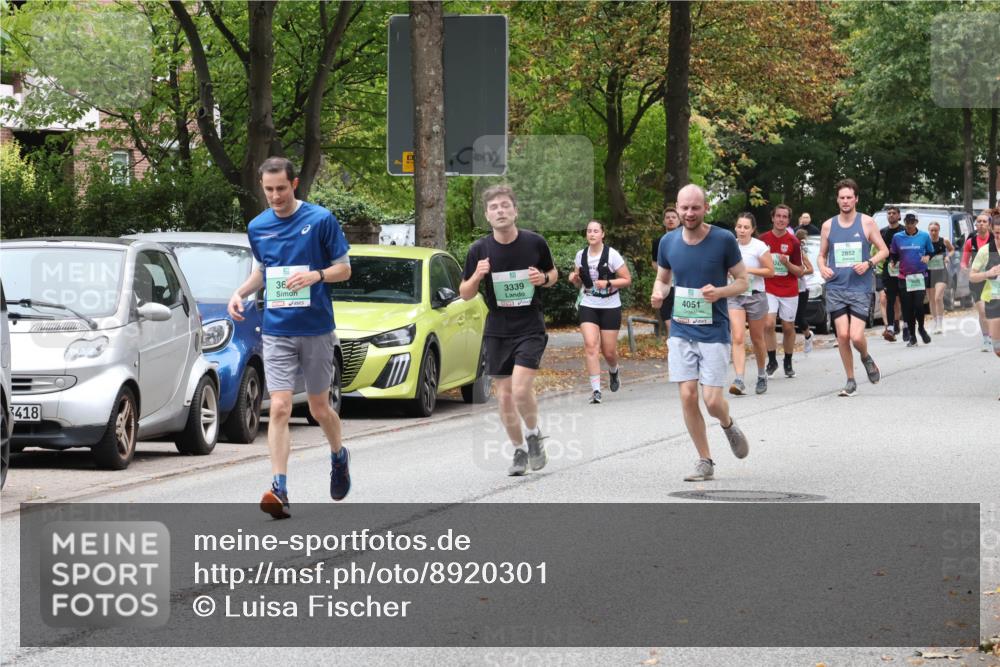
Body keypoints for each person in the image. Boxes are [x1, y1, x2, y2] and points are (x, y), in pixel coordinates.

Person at [227, 157, 352, 519]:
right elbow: (263, 272)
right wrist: (240, 293)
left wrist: (316, 276)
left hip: (315, 328)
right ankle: (279, 488)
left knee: (318, 408)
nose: (275, 196)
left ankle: (338, 456)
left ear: (294, 184)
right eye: (268, 190)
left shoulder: (320, 220)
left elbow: (344, 269)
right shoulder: (258, 226)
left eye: (281, 188)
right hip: (277, 328)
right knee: (279, 406)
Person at [651, 184, 750, 482]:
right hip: (681, 329)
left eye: (695, 207)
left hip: (714, 331)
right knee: (687, 394)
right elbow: (663, 279)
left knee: (711, 400)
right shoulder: (667, 242)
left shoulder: (723, 240)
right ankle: (704, 459)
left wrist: (720, 291)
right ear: (676, 208)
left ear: (706, 208)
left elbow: (743, 281)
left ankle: (727, 423)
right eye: (684, 208)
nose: (689, 213)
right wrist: (658, 293)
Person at [460, 185, 557, 476]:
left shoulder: (534, 243)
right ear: (487, 216)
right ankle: (519, 451)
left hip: (529, 326)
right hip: (497, 329)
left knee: (520, 388)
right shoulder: (479, 250)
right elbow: (464, 293)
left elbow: (553, 274)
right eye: (494, 208)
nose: (500, 211)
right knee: (503, 397)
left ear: (515, 210)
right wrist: (477, 275)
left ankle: (533, 433)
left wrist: (543, 278)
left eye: (505, 205)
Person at [817, 178, 889, 397]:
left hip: (860, 287)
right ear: (837, 200)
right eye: (842, 198)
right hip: (836, 287)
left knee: (856, 337)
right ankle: (850, 380)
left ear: (856, 199)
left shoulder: (866, 222)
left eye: (849, 197)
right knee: (842, 335)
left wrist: (868, 263)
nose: (846, 201)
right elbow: (821, 255)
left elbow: (884, 250)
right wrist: (822, 268)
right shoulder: (828, 225)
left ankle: (865, 357)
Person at [569, 220, 631, 404]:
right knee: (590, 345)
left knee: (609, 351)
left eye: (596, 231)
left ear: (603, 234)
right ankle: (596, 390)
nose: (592, 234)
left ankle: (613, 371)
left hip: (610, 305)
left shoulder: (612, 255)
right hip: (588, 302)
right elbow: (579, 280)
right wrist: (574, 278)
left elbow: (627, 279)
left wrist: (609, 283)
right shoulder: (581, 255)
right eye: (589, 231)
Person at [727, 212, 774, 396]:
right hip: (735, 295)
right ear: (735, 228)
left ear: (753, 229)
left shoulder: (759, 246)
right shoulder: (730, 246)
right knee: (737, 337)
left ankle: (762, 374)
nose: (742, 230)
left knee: (757, 338)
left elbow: (770, 271)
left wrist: (747, 270)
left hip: (755, 295)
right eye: (739, 226)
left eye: (746, 227)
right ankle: (739, 379)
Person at [760, 204, 806, 378]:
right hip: (769, 287)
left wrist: (787, 264)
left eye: (784, 217)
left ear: (788, 220)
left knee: (788, 327)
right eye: (778, 216)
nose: (781, 219)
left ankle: (788, 360)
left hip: (789, 289)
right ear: (772, 218)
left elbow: (800, 271)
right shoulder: (763, 239)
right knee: (769, 324)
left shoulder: (793, 242)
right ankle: (772, 361)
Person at [889, 212, 935, 347]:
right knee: (907, 307)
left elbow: (930, 251)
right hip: (904, 276)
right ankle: (912, 336)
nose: (909, 225)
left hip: (920, 276)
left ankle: (921, 328)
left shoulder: (924, 236)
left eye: (912, 222)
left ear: (916, 222)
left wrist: (928, 257)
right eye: (907, 222)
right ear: (904, 222)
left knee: (919, 305)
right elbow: (894, 254)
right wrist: (892, 261)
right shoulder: (897, 237)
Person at [968, 212, 1000, 398]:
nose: (999, 237)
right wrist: (988, 273)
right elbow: (972, 276)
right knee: (996, 347)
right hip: (993, 299)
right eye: (996, 233)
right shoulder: (985, 251)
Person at [962, 213, 994, 352]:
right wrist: (964, 268)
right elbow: (964, 260)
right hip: (977, 279)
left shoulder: (995, 239)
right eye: (978, 221)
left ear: (989, 224)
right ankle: (986, 339)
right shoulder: (971, 241)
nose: (981, 223)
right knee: (982, 311)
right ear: (975, 225)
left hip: (993, 280)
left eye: (984, 221)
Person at [651, 207, 681, 336]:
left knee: (681, 318)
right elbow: (653, 263)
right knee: (667, 317)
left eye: (674, 217)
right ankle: (672, 348)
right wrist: (665, 271)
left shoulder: (686, 239)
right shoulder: (658, 241)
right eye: (668, 217)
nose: (670, 220)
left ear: (679, 220)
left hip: (682, 285)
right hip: (665, 284)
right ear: (663, 221)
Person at [879, 207, 905, 341]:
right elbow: (878, 249)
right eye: (889, 213)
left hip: (904, 269)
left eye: (894, 213)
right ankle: (890, 327)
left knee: (903, 298)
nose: (891, 215)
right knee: (889, 298)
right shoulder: (882, 232)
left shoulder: (904, 231)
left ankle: (905, 325)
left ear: (899, 215)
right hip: (888, 269)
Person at [926, 221, 954, 334]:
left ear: (939, 230)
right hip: (929, 272)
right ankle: (935, 321)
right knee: (931, 299)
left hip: (941, 272)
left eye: (935, 230)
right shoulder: (925, 241)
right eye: (931, 230)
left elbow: (952, 250)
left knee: (938, 297)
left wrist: (948, 257)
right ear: (929, 231)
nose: (933, 232)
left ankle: (940, 323)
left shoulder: (944, 240)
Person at [794, 228, 816, 354]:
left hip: (801, 289)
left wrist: (800, 272)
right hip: (788, 289)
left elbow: (811, 269)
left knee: (799, 319)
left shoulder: (802, 255)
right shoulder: (788, 254)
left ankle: (808, 336)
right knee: (788, 319)